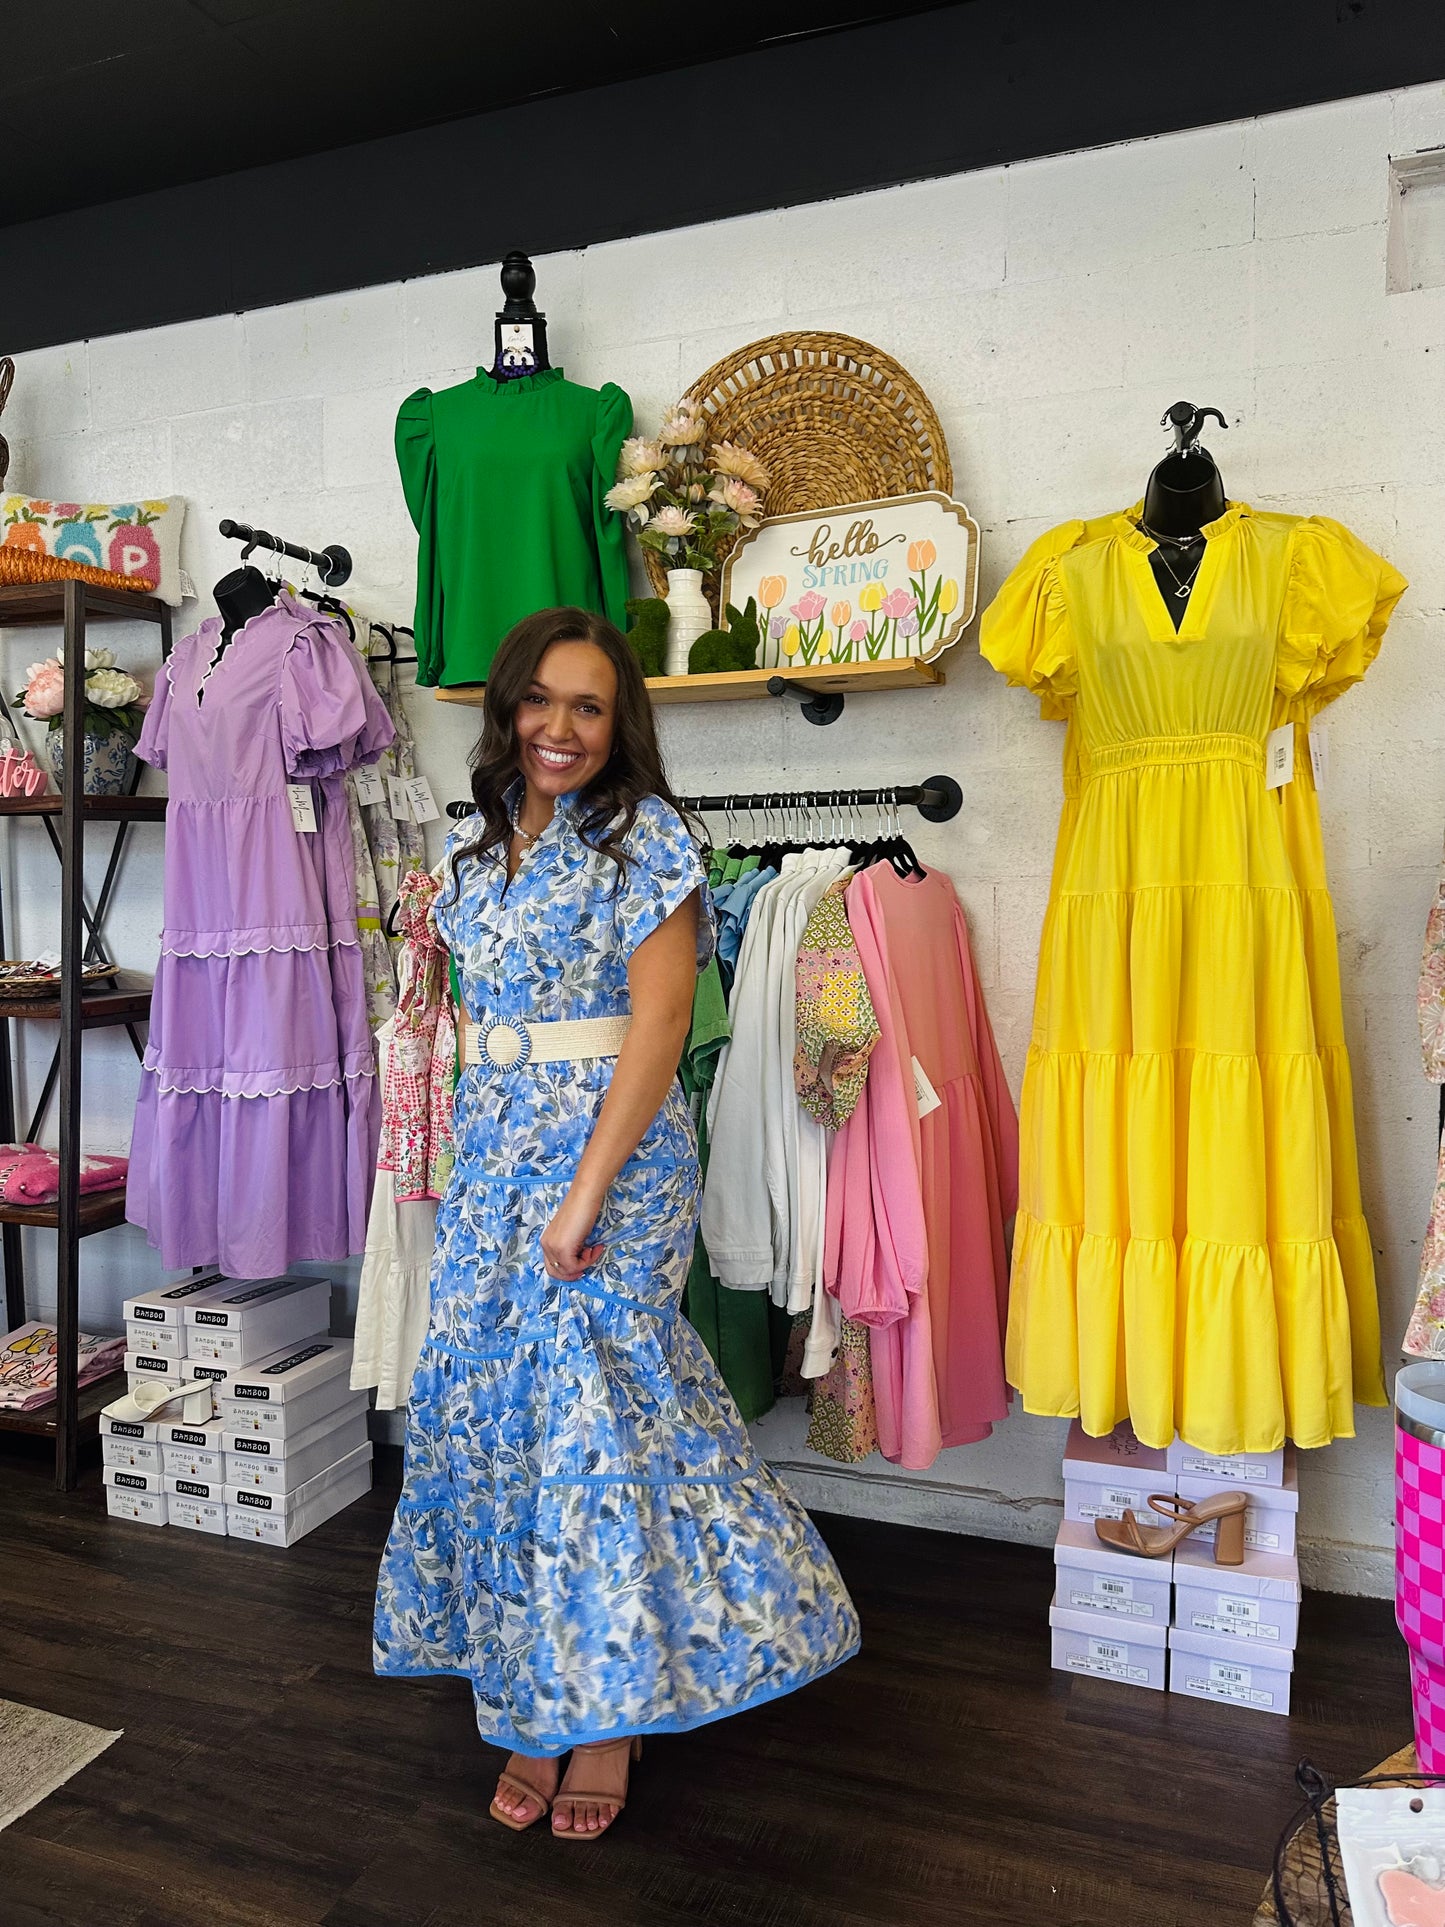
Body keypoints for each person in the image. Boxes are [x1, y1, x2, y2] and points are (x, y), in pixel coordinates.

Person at [373, 607, 859, 1840]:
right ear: (507, 710)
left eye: (588, 706)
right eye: (540, 700)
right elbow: (479, 1024)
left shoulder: (647, 841)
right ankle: (527, 1692)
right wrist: (478, 1168)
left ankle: (604, 1714)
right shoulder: (472, 853)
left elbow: (653, 1031)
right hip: (494, 1153)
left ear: (619, 723)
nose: (559, 728)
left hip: (617, 1159)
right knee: (497, 1419)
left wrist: (583, 1192)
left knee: (597, 1425)